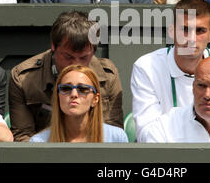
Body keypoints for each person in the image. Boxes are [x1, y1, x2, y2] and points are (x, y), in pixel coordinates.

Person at [131, 0, 210, 141]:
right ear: (172, 31)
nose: (191, 38)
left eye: (200, 30)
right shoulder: (146, 66)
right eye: (185, 29)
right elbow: (146, 134)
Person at [9, 11, 124, 142]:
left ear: (93, 51)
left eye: (83, 57)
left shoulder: (107, 75)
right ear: (53, 45)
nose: (75, 63)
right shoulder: (24, 78)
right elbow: (23, 136)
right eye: (68, 56)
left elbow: (113, 134)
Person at [30, 65, 128, 142]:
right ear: (58, 96)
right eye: (66, 88)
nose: (74, 94)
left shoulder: (116, 137)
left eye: (83, 89)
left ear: (95, 99)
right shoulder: (38, 142)